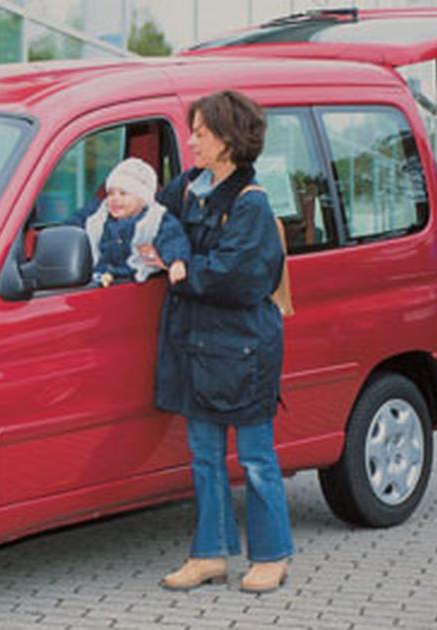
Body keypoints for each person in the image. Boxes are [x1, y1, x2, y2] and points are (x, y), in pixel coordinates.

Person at [143, 90, 293, 593]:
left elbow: (239, 276)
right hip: (196, 345)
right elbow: (156, 223)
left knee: (255, 458)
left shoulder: (252, 205)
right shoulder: (186, 188)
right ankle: (209, 554)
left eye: (201, 133)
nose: (191, 141)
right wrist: (170, 250)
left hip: (243, 349)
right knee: (203, 456)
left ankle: (272, 555)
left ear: (229, 141)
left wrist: (181, 270)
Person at [65, 157, 167, 287]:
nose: (115, 198)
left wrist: (174, 261)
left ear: (141, 199)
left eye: (123, 193)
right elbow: (71, 229)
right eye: (111, 193)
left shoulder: (155, 220)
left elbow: (173, 240)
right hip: (99, 278)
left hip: (132, 284)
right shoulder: (99, 212)